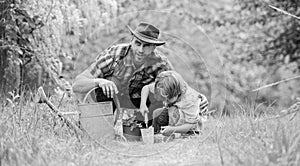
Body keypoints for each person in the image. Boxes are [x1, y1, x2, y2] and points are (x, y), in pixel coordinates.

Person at [72, 22, 173, 125]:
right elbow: (77, 85)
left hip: (140, 102)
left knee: (161, 90)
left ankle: (143, 125)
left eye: (146, 46)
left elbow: (176, 92)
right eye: (138, 43)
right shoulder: (114, 55)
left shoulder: (161, 64)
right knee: (108, 83)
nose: (140, 50)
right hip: (112, 96)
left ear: (154, 47)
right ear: (131, 41)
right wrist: (99, 81)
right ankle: (103, 124)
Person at [139, 71, 209, 136]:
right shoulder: (162, 86)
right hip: (176, 107)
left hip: (193, 118)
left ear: (177, 92)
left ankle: (185, 133)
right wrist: (143, 105)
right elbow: (146, 88)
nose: (166, 101)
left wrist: (172, 129)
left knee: (185, 126)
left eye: (168, 99)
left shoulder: (190, 100)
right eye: (164, 99)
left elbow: (191, 124)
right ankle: (157, 135)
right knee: (157, 113)